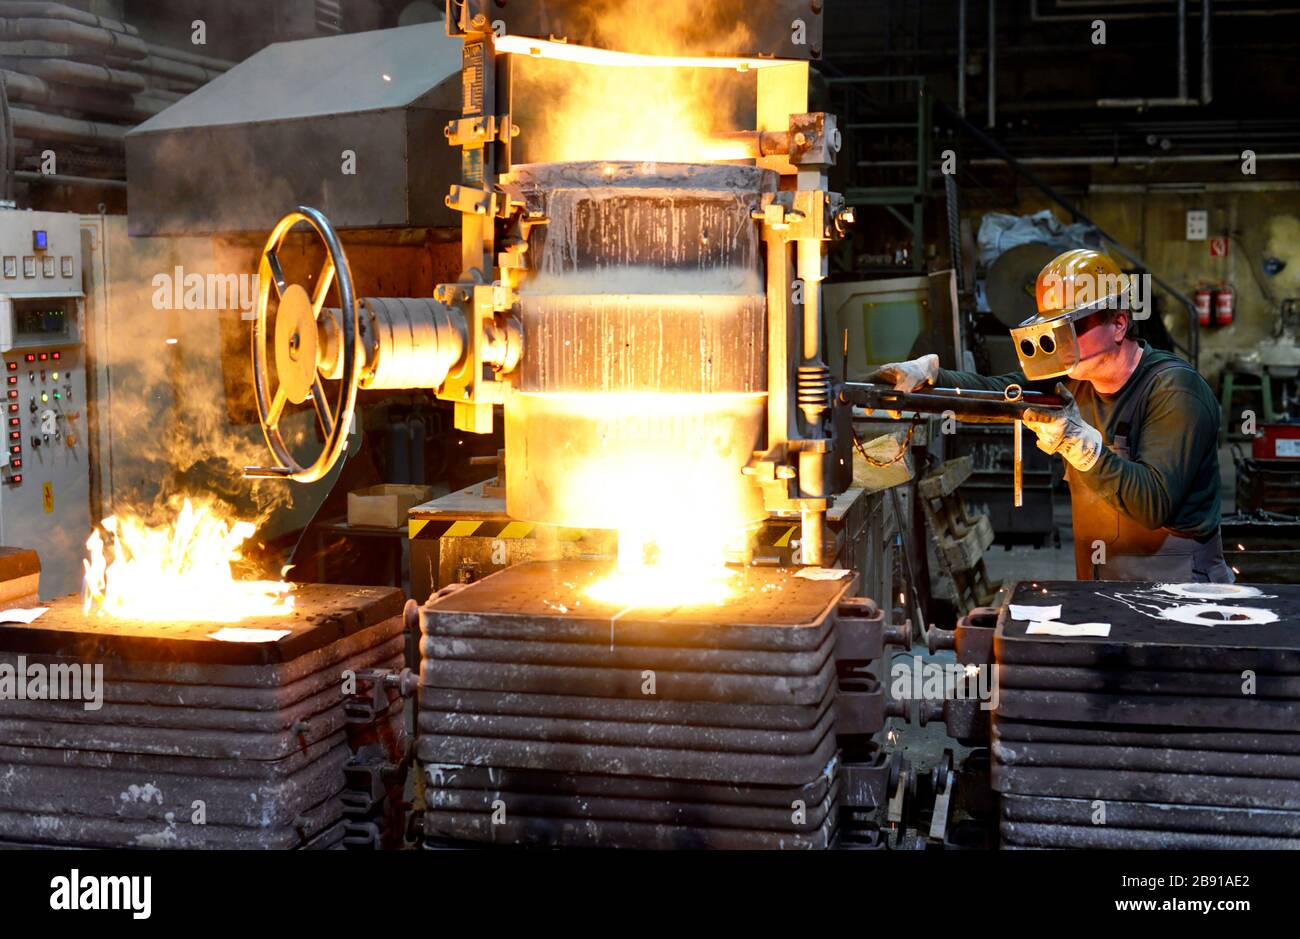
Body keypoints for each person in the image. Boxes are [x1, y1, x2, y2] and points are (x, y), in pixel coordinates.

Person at [868, 249, 1230, 583]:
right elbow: (1001, 395)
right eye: (1055, 328)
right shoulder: (1078, 380)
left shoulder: (1175, 391)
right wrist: (926, 382)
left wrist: (1080, 445)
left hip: (1182, 589)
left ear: (1119, 324)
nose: (1060, 343)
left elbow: (1153, 504)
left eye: (1072, 328)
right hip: (1104, 584)